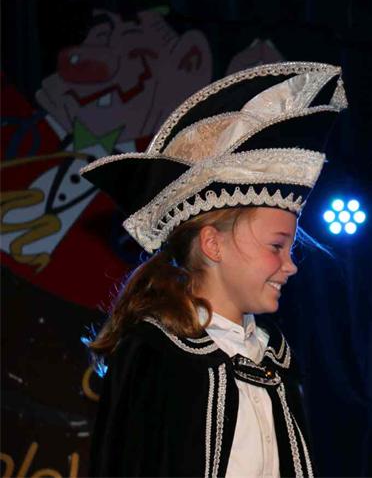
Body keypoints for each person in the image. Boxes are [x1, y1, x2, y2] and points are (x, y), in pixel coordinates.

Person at [80, 61, 348, 477]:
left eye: (290, 249)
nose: (290, 266)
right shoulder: (156, 354)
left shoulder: (274, 360)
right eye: (276, 246)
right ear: (213, 244)